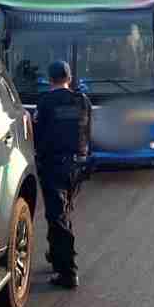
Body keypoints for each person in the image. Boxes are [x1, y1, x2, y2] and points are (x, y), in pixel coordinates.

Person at [33, 60, 92, 289]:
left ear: (50, 79)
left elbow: (37, 134)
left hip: (54, 166)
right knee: (62, 211)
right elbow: (87, 132)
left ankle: (68, 272)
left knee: (56, 216)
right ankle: (56, 254)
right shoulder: (82, 101)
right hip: (78, 166)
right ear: (69, 78)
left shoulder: (45, 102)